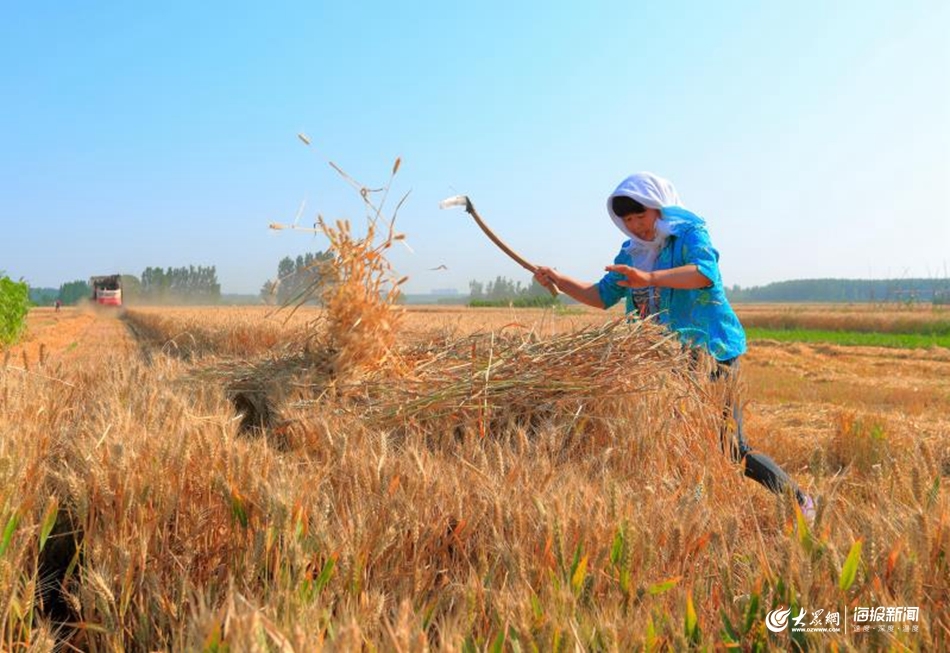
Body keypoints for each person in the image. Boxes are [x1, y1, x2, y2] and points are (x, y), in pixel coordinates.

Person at [534, 172, 816, 520]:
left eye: (642, 216)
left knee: (731, 446)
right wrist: (559, 280)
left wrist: (649, 279)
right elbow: (600, 295)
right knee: (684, 442)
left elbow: (703, 273)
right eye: (629, 220)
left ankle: (800, 501)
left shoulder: (688, 234)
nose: (636, 226)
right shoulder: (633, 252)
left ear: (659, 209)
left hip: (712, 353)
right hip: (669, 359)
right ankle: (692, 513)